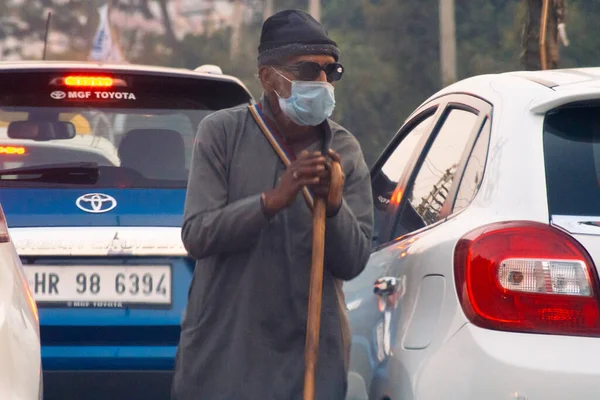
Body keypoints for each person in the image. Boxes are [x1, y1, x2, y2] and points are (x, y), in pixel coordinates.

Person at [171, 9, 374, 400]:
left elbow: (354, 260)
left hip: (310, 354)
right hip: (228, 350)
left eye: (330, 73)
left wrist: (332, 208)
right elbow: (197, 235)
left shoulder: (342, 150)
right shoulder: (222, 134)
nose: (321, 82)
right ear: (268, 77)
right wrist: (271, 201)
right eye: (307, 71)